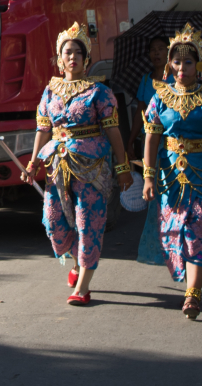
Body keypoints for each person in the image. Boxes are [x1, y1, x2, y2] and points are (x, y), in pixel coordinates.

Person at [138, 25, 202, 320]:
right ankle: (188, 279)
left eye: (189, 62)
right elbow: (152, 139)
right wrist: (147, 176)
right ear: (170, 64)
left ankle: (193, 294)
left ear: (201, 65)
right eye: (177, 61)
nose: (182, 68)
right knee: (172, 234)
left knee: (198, 233)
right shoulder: (159, 97)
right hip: (169, 177)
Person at [28, 22, 131, 304]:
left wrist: (122, 168)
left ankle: (82, 287)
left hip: (92, 169)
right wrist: (33, 163)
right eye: (67, 52)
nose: (72, 57)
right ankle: (78, 261)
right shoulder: (49, 91)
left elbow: (113, 131)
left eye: (77, 52)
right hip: (56, 168)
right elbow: (42, 129)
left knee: (89, 224)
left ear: (86, 59)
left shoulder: (99, 92)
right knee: (53, 224)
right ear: (59, 59)